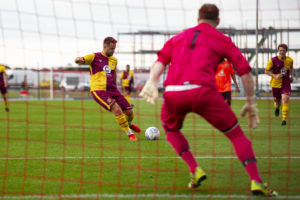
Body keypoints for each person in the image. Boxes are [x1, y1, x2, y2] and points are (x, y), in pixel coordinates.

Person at [140, 4, 277, 197]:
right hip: (203, 92)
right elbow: (244, 70)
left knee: (171, 130)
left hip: (174, 93)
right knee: (236, 135)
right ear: (218, 21)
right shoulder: (222, 39)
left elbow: (160, 61)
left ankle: (195, 169)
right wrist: (251, 101)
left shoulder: (179, 37)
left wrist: (151, 81)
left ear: (198, 18)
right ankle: (256, 181)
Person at [75, 37, 141, 141]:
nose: (113, 51)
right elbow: (81, 60)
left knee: (129, 112)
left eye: (114, 49)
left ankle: (129, 124)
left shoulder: (114, 60)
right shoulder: (94, 57)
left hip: (113, 89)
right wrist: (78, 60)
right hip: (99, 90)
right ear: (105, 46)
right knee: (117, 109)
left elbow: (113, 75)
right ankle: (130, 134)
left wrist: (116, 88)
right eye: (111, 48)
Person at [265, 44, 294, 126]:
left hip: (286, 83)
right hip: (275, 84)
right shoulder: (273, 60)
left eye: (283, 50)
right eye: (280, 50)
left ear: (286, 51)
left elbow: (291, 67)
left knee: (285, 99)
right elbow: (266, 71)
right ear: (278, 51)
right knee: (277, 101)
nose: (282, 52)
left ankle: (284, 119)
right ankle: (277, 108)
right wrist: (275, 76)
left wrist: (292, 76)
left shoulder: (290, 60)